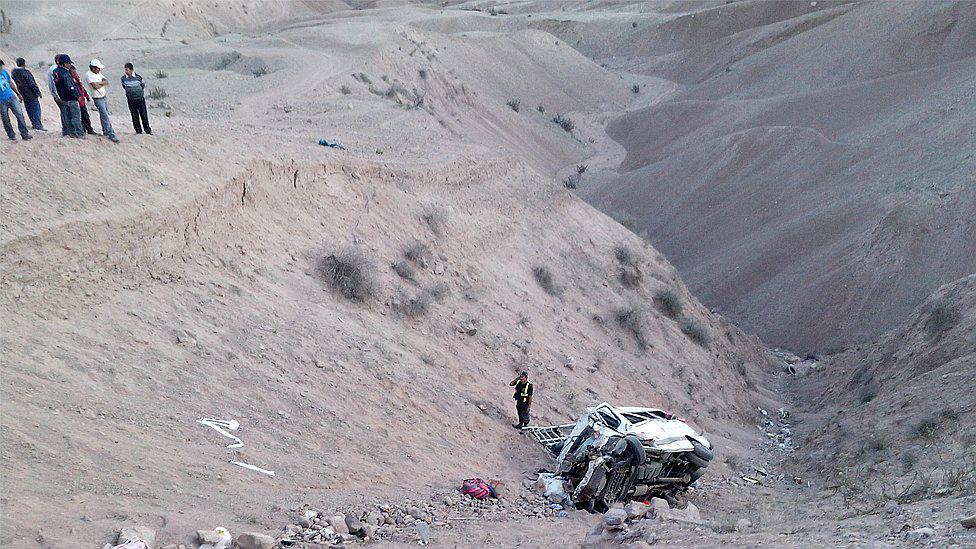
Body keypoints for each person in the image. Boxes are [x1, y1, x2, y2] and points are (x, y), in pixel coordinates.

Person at [51, 55, 84, 138]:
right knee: (75, 116)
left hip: (62, 97)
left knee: (66, 116)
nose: (70, 65)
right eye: (69, 63)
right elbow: (70, 86)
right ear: (65, 63)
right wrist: (77, 96)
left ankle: (68, 132)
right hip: (70, 97)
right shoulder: (65, 73)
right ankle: (78, 132)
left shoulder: (55, 71)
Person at [85, 59, 118, 142]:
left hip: (103, 96)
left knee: (104, 114)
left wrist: (99, 83)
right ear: (93, 68)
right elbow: (95, 86)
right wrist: (101, 83)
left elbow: (106, 81)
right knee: (105, 115)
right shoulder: (89, 74)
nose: (99, 70)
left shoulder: (98, 74)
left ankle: (106, 131)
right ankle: (110, 132)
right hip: (97, 98)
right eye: (98, 68)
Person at [0, 58, 32, 141]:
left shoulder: (4, 72)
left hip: (11, 96)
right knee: (5, 118)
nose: (1, 68)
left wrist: (18, 94)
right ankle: (11, 135)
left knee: (19, 114)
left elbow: (10, 83)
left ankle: (24, 134)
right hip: (1, 101)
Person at [11, 58, 45, 131]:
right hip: (30, 93)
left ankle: (34, 123)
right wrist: (38, 92)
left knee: (29, 108)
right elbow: (32, 83)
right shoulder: (26, 72)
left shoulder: (14, 72)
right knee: (36, 109)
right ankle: (38, 125)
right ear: (24, 64)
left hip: (22, 92)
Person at [121, 62, 151, 135]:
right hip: (130, 99)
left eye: (127, 70)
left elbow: (142, 86)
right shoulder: (123, 79)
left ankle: (147, 130)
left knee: (143, 114)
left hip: (139, 98)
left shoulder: (139, 78)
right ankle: (138, 130)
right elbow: (124, 87)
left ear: (131, 70)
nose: (126, 71)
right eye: (125, 70)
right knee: (134, 114)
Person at [70, 65, 96, 135]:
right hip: (77, 101)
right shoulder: (70, 81)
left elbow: (81, 88)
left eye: (75, 72)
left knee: (85, 116)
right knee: (79, 116)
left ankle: (89, 129)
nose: (74, 74)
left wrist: (86, 95)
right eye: (73, 72)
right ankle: (83, 129)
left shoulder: (77, 79)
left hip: (82, 101)